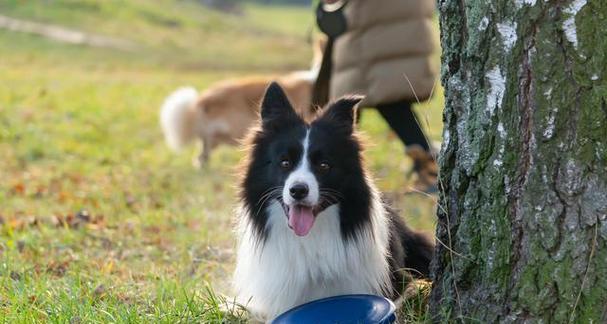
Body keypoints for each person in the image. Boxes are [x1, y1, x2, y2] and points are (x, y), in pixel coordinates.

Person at [313, 0, 439, 193]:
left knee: (358, 99)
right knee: (385, 97)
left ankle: (329, 171)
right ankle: (429, 167)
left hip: (372, 21)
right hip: (391, 18)